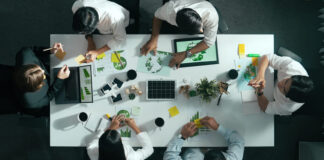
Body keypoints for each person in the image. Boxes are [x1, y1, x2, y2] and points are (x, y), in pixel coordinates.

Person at [140, 0, 219, 69]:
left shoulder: (211, 15)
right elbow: (157, 16)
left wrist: (186, 54)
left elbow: (209, 42)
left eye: (201, 27)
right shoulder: (169, 11)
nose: (202, 31)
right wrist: (154, 38)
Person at [249, 54, 314, 115]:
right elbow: (267, 57)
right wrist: (261, 75)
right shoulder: (293, 66)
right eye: (286, 81)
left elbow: (265, 108)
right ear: (292, 76)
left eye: (284, 90)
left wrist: (259, 92)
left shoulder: (288, 107)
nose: (280, 84)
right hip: (273, 75)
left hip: (272, 95)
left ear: (289, 98)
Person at [14, 43, 70, 112]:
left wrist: (50, 50)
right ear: (36, 87)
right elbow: (49, 96)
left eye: (39, 69)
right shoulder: (30, 102)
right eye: (43, 76)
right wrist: (60, 79)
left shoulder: (25, 54)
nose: (43, 71)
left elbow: (33, 49)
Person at [163, 116, 244, 160]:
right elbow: (238, 141)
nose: (205, 150)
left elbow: (170, 156)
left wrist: (182, 136)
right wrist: (217, 127)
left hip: (189, 148)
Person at [87, 115, 154, 160]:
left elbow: (93, 143)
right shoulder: (131, 157)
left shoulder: (93, 153)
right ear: (121, 143)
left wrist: (111, 128)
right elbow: (149, 149)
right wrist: (134, 126)